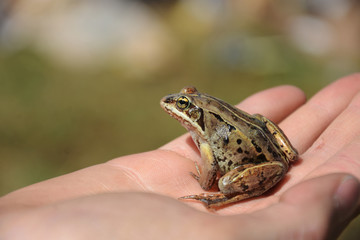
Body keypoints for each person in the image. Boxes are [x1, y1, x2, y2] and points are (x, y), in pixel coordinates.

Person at [1, 74, 360, 239]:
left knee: (226, 181)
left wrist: (210, 188)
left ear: (196, 110)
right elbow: (259, 121)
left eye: (186, 103)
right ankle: (284, 157)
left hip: (252, 161)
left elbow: (210, 172)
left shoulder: (205, 138)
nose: (177, 104)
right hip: (262, 137)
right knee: (262, 118)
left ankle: (244, 191)